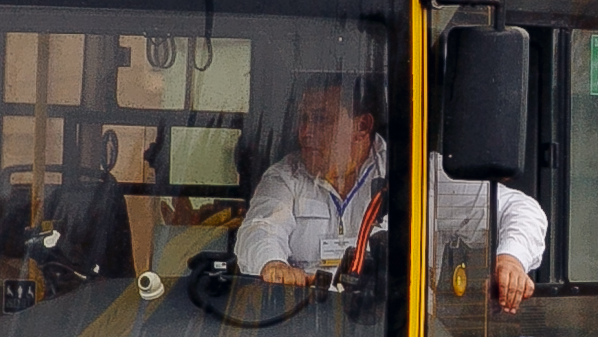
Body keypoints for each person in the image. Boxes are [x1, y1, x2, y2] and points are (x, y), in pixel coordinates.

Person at [231, 72, 543, 310]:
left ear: (362, 126)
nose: (305, 132)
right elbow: (260, 229)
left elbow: (518, 209)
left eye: (321, 119)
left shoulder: (419, 176)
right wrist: (272, 264)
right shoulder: (286, 177)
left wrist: (511, 259)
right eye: (303, 119)